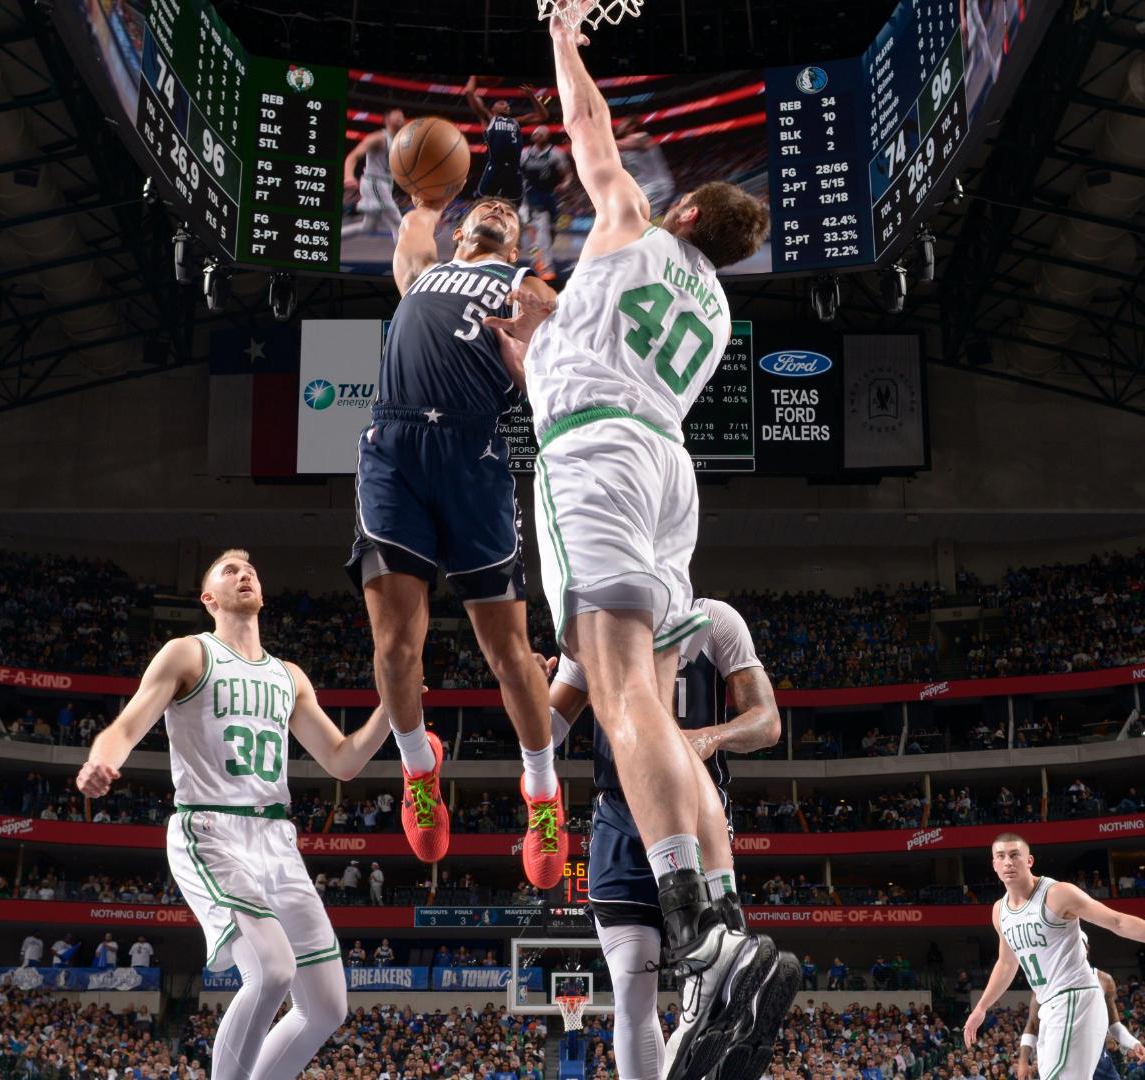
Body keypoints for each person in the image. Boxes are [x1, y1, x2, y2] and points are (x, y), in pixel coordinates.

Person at [518, 7, 777, 1080]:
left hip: (599, 461)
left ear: (681, 209)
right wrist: (542, 337)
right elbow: (592, 338)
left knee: (626, 701)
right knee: (653, 707)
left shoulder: (633, 222)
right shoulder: (714, 309)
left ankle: (703, 935)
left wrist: (564, 36)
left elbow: (587, 128)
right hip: (669, 476)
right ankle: (723, 926)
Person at [77, 548, 394, 1080]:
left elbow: (343, 760)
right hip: (211, 828)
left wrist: (391, 709)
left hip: (276, 838)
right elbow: (128, 725)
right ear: (209, 598)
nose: (244, 575)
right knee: (271, 971)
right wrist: (100, 761)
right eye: (230, 571)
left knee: (327, 1006)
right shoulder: (188, 654)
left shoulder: (288, 676)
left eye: (250, 571)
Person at [353, 142, 564, 889]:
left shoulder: (528, 286)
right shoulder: (421, 266)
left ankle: (541, 790)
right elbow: (418, 215)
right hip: (394, 446)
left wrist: (534, 352)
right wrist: (427, 185)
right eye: (487, 205)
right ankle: (418, 770)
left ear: (519, 238)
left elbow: (558, 351)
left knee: (509, 653)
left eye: (509, 212)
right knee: (395, 648)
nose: (499, 210)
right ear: (465, 223)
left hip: (473, 456)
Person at [547, 597, 786, 1080]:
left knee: (721, 980)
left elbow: (768, 722)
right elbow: (543, 735)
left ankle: (704, 1041)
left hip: (694, 813)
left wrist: (710, 737)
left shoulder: (715, 619)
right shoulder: (589, 622)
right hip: (619, 816)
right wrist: (528, 698)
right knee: (632, 988)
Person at [962, 834, 1145, 1080]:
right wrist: (982, 1007)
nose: (1008, 861)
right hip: (1050, 1006)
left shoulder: (1057, 894)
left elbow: (1117, 921)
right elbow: (1007, 962)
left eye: (1014, 855)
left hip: (1075, 998)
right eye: (1001, 856)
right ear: (993, 864)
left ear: (1029, 860)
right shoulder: (999, 911)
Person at [1016, 966, 1144, 1080]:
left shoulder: (1103, 979)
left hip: (1097, 1060)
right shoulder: (1044, 983)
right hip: (1061, 1058)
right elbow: (1032, 1025)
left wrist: (1133, 1043)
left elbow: (1114, 1025)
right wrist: (1022, 1061)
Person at [463, 77, 550, 201]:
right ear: (493, 109)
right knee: (485, 202)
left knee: (511, 204)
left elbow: (543, 115)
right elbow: (469, 93)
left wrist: (531, 96)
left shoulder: (516, 121)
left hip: (513, 170)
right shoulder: (488, 119)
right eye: (501, 103)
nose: (506, 105)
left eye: (507, 104)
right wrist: (474, 77)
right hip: (495, 167)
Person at [518, 126, 574, 280]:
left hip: (548, 196)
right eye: (535, 133)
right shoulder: (525, 153)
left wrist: (565, 184)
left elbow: (568, 175)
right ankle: (544, 267)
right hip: (528, 198)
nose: (536, 135)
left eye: (540, 133)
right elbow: (515, 172)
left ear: (547, 136)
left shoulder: (556, 153)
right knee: (539, 234)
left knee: (549, 233)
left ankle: (537, 259)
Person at [344, 108, 407, 240]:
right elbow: (353, 156)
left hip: (384, 185)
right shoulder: (378, 138)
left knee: (367, 227)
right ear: (387, 120)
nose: (401, 118)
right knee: (398, 225)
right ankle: (407, 260)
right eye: (398, 116)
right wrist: (348, 176)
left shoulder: (399, 141)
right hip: (374, 183)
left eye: (402, 116)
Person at [614, 116, 674, 219]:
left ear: (631, 127)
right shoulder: (624, 148)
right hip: (643, 188)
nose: (619, 124)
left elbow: (615, 145)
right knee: (637, 219)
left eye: (623, 123)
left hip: (657, 185)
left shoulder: (642, 137)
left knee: (634, 218)